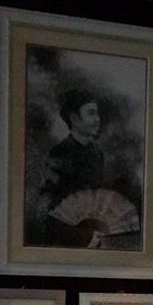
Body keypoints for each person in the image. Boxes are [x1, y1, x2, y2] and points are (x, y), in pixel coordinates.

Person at [38, 89, 107, 247]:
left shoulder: (97, 153)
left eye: (97, 113)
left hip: (93, 231)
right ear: (74, 119)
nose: (97, 119)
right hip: (64, 234)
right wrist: (81, 236)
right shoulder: (60, 152)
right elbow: (51, 204)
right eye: (91, 114)